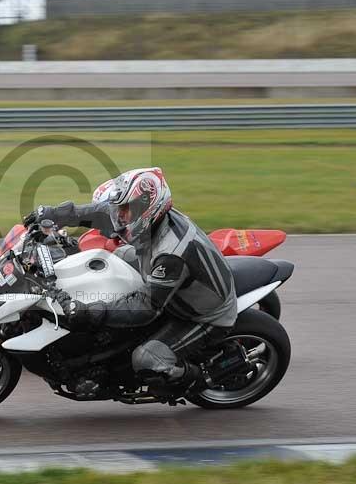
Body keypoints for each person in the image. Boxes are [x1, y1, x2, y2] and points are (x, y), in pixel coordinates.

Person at [23, 167, 237, 396]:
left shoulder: (171, 254)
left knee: (146, 358)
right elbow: (99, 211)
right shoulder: (149, 220)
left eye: (125, 209)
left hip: (200, 314)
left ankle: (195, 380)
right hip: (162, 279)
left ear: (148, 207)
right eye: (120, 208)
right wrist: (54, 214)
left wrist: (93, 311)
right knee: (105, 261)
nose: (119, 215)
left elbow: (147, 307)